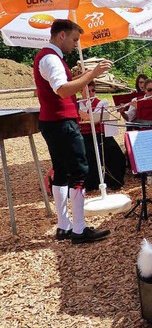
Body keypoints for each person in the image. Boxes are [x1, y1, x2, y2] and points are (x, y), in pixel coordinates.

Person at [34, 19, 111, 244]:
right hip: (62, 122)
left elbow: (62, 85)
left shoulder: (47, 57)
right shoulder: (51, 58)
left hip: (52, 121)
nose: (74, 44)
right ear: (62, 35)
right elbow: (62, 89)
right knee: (78, 171)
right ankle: (79, 228)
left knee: (61, 172)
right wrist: (92, 74)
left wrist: (82, 76)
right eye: (74, 39)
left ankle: (64, 225)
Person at [77, 82, 126, 190]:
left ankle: (113, 181)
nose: (91, 93)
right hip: (84, 135)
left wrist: (85, 116)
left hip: (100, 134)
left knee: (115, 153)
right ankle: (90, 183)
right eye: (88, 91)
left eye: (93, 91)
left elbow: (96, 120)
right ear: (81, 91)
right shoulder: (76, 104)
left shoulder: (101, 103)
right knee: (87, 154)